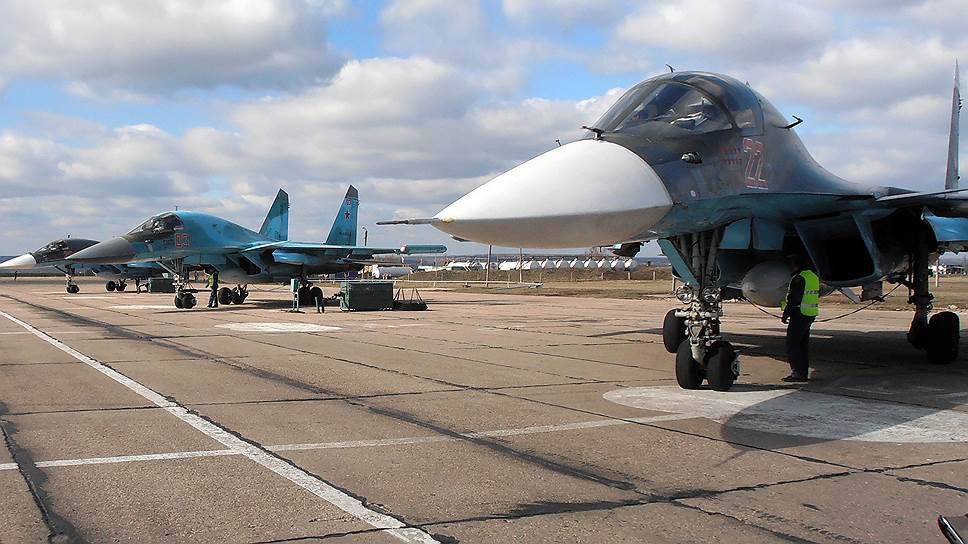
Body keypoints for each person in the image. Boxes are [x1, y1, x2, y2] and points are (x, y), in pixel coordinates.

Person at [780, 256, 820, 382]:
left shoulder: (799, 278)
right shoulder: (813, 276)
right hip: (809, 314)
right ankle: (803, 372)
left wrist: (786, 314)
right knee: (802, 345)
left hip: (799, 314)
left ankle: (797, 372)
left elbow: (794, 298)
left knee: (793, 344)